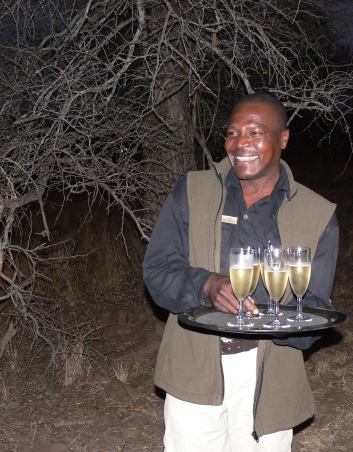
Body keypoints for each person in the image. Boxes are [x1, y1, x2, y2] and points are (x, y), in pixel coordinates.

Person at [143, 92, 339, 451]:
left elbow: (315, 306)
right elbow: (157, 271)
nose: (240, 143)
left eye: (255, 133)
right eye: (232, 133)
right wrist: (206, 285)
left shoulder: (316, 213)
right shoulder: (193, 191)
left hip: (270, 375)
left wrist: (281, 323)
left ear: (283, 138)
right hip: (194, 364)